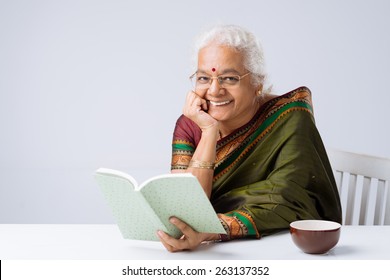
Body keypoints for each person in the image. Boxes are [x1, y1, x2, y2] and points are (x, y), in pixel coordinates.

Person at [157, 24, 342, 252]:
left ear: (257, 84)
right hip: (212, 252)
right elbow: (184, 207)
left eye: (229, 78)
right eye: (204, 78)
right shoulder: (190, 123)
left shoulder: (288, 117)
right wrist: (209, 132)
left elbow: (291, 198)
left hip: (278, 247)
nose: (214, 90)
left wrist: (215, 227)